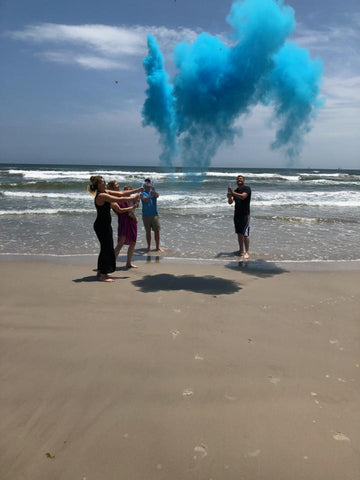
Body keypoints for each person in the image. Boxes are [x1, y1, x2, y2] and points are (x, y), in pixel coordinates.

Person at [88, 176, 141, 282]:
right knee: (107, 249)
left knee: (105, 248)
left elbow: (121, 194)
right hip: (101, 226)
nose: (105, 184)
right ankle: (103, 275)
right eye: (103, 182)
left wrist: (137, 190)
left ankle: (100, 271)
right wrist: (133, 198)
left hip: (105, 225)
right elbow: (119, 199)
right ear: (98, 185)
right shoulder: (101, 195)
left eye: (105, 182)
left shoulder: (105, 191)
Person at [107, 180, 139, 269]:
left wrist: (135, 202)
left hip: (131, 220)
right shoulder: (111, 198)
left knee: (133, 242)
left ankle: (128, 263)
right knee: (121, 243)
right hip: (123, 222)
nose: (118, 185)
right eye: (117, 184)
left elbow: (131, 199)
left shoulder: (121, 195)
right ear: (112, 187)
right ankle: (111, 264)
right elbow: (120, 211)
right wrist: (132, 208)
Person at [227, 175, 251, 259]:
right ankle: (241, 250)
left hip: (245, 214)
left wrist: (232, 193)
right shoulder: (236, 190)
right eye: (237, 179)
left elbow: (243, 197)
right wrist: (230, 196)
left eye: (240, 178)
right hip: (237, 214)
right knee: (239, 233)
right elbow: (230, 202)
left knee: (245, 234)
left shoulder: (247, 188)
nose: (239, 180)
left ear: (243, 180)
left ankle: (247, 252)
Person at [141, 178, 164, 252]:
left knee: (157, 231)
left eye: (149, 183)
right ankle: (148, 247)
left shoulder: (153, 192)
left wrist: (154, 192)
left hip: (154, 215)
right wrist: (150, 196)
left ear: (150, 185)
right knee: (148, 232)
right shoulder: (143, 193)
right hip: (146, 215)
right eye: (146, 183)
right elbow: (145, 200)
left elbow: (157, 196)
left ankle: (157, 247)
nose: (148, 184)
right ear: (144, 185)